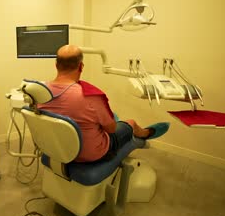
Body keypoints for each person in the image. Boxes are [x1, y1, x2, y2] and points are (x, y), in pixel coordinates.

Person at [38, 44, 169, 162]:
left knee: (108, 116)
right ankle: (145, 133)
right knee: (130, 123)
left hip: (57, 149)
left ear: (56, 65)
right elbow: (111, 130)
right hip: (89, 154)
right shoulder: (90, 96)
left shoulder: (39, 91)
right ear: (81, 66)